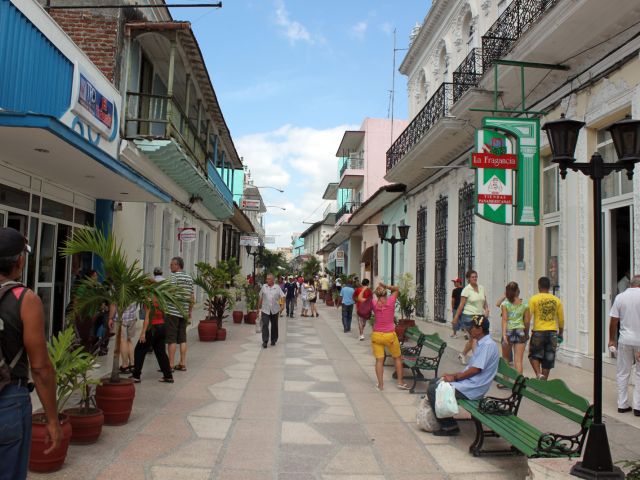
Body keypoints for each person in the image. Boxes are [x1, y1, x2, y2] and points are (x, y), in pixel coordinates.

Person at [0, 227, 61, 479]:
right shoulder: (24, 299)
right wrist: (53, 420)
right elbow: (40, 368)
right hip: (8, 400)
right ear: (20, 261)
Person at [427, 315, 499, 436]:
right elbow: (472, 368)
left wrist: (454, 378)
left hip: (473, 388)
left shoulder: (488, 345)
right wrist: (452, 376)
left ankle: (449, 426)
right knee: (435, 382)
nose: (469, 329)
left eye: (472, 327)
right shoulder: (482, 343)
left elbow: (475, 370)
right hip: (469, 383)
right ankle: (446, 418)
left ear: (480, 329)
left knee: (433, 389)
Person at [130, 270, 174, 384]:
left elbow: (148, 317)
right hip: (161, 326)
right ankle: (168, 376)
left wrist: (143, 332)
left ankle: (136, 375)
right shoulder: (160, 297)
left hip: (152, 327)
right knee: (160, 352)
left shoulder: (149, 298)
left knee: (139, 350)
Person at [368, 283, 410, 391]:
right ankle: (400, 382)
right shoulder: (391, 300)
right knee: (397, 358)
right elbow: (397, 289)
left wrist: (376, 292)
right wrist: (386, 286)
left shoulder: (374, 303)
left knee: (379, 360)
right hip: (390, 336)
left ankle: (381, 385)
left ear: (376, 294)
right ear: (386, 293)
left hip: (377, 335)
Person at [608, 274, 640, 416]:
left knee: (623, 372)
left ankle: (622, 404)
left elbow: (614, 321)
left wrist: (611, 339)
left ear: (630, 284)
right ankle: (638, 406)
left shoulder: (620, 297)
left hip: (625, 340)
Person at [528, 276, 564, 380]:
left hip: (538, 332)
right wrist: (560, 333)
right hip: (552, 332)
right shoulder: (556, 300)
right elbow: (561, 319)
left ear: (539, 286)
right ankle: (543, 382)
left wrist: (526, 332)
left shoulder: (534, 299)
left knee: (533, 355)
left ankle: (539, 375)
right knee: (548, 359)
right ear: (549, 287)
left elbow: (528, 317)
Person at [452, 270, 489, 365]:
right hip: (469, 316)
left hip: (479, 316)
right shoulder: (466, 290)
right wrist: (456, 317)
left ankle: (463, 354)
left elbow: (484, 301)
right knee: (475, 337)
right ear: (468, 278)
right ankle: (476, 360)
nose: (475, 278)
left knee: (474, 338)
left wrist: (487, 309)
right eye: (473, 277)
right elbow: (461, 305)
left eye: (476, 276)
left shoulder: (481, 288)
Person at [165, 256, 194, 372]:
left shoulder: (173, 276)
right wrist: (190, 311)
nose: (170, 266)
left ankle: (170, 365)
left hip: (173, 311)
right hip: (184, 312)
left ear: (177, 265)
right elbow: (192, 297)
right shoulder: (189, 278)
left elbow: (169, 292)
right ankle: (182, 363)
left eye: (172, 265)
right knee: (182, 338)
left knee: (171, 339)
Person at [500, 282, 530, 376]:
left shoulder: (505, 304)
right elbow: (527, 322)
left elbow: (504, 320)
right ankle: (518, 383)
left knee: (506, 359)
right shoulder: (525, 305)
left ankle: (506, 380)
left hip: (508, 332)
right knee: (518, 361)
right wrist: (526, 333)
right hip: (520, 332)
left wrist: (504, 334)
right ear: (518, 291)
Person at [108, 302, 137, 373]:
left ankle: (125, 365)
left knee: (122, 340)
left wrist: (110, 318)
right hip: (132, 317)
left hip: (121, 318)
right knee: (129, 340)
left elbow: (113, 304)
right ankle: (132, 364)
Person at [258, 273, 285, 348]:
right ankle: (265, 341)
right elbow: (260, 297)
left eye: (269, 279)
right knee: (265, 325)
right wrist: (258, 308)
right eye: (267, 279)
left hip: (274, 310)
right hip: (265, 309)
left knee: (274, 325)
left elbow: (282, 296)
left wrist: (282, 305)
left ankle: (273, 339)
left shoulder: (277, 287)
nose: (267, 280)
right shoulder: (264, 286)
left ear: (273, 280)